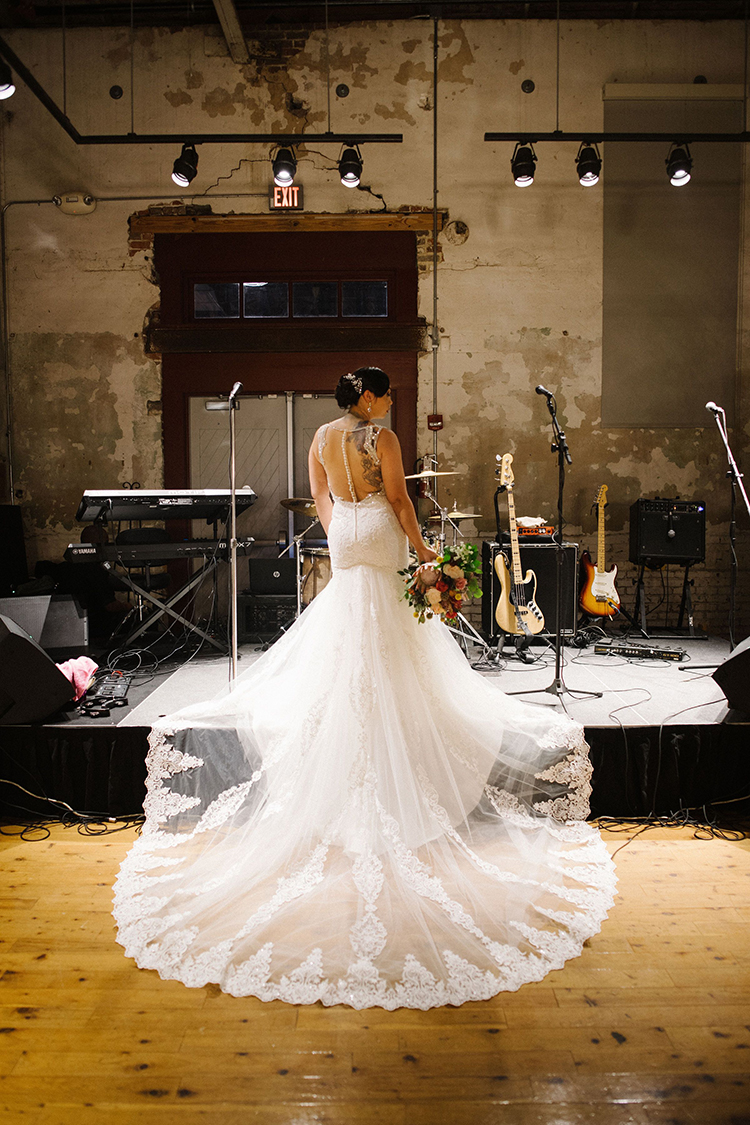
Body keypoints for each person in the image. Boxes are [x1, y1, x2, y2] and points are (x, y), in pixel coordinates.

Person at [113, 366, 616, 1010]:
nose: (386, 402)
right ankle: (403, 742)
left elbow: (318, 495)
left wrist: (337, 535)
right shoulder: (381, 437)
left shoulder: (322, 436)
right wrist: (425, 553)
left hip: (346, 535)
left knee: (347, 633)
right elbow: (404, 499)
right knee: (399, 639)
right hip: (379, 528)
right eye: (382, 394)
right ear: (370, 398)